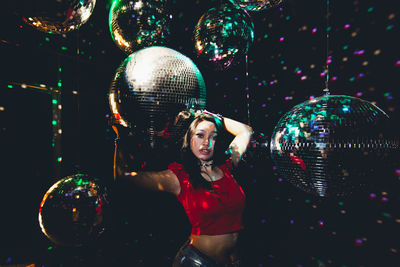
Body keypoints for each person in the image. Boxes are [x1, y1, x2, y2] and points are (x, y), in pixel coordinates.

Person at [112, 110, 253, 266]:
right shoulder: (179, 177)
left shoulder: (227, 166)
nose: (206, 142)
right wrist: (120, 138)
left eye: (213, 136)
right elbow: (124, 178)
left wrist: (211, 115)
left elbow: (245, 131)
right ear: (190, 139)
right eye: (200, 135)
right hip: (198, 262)